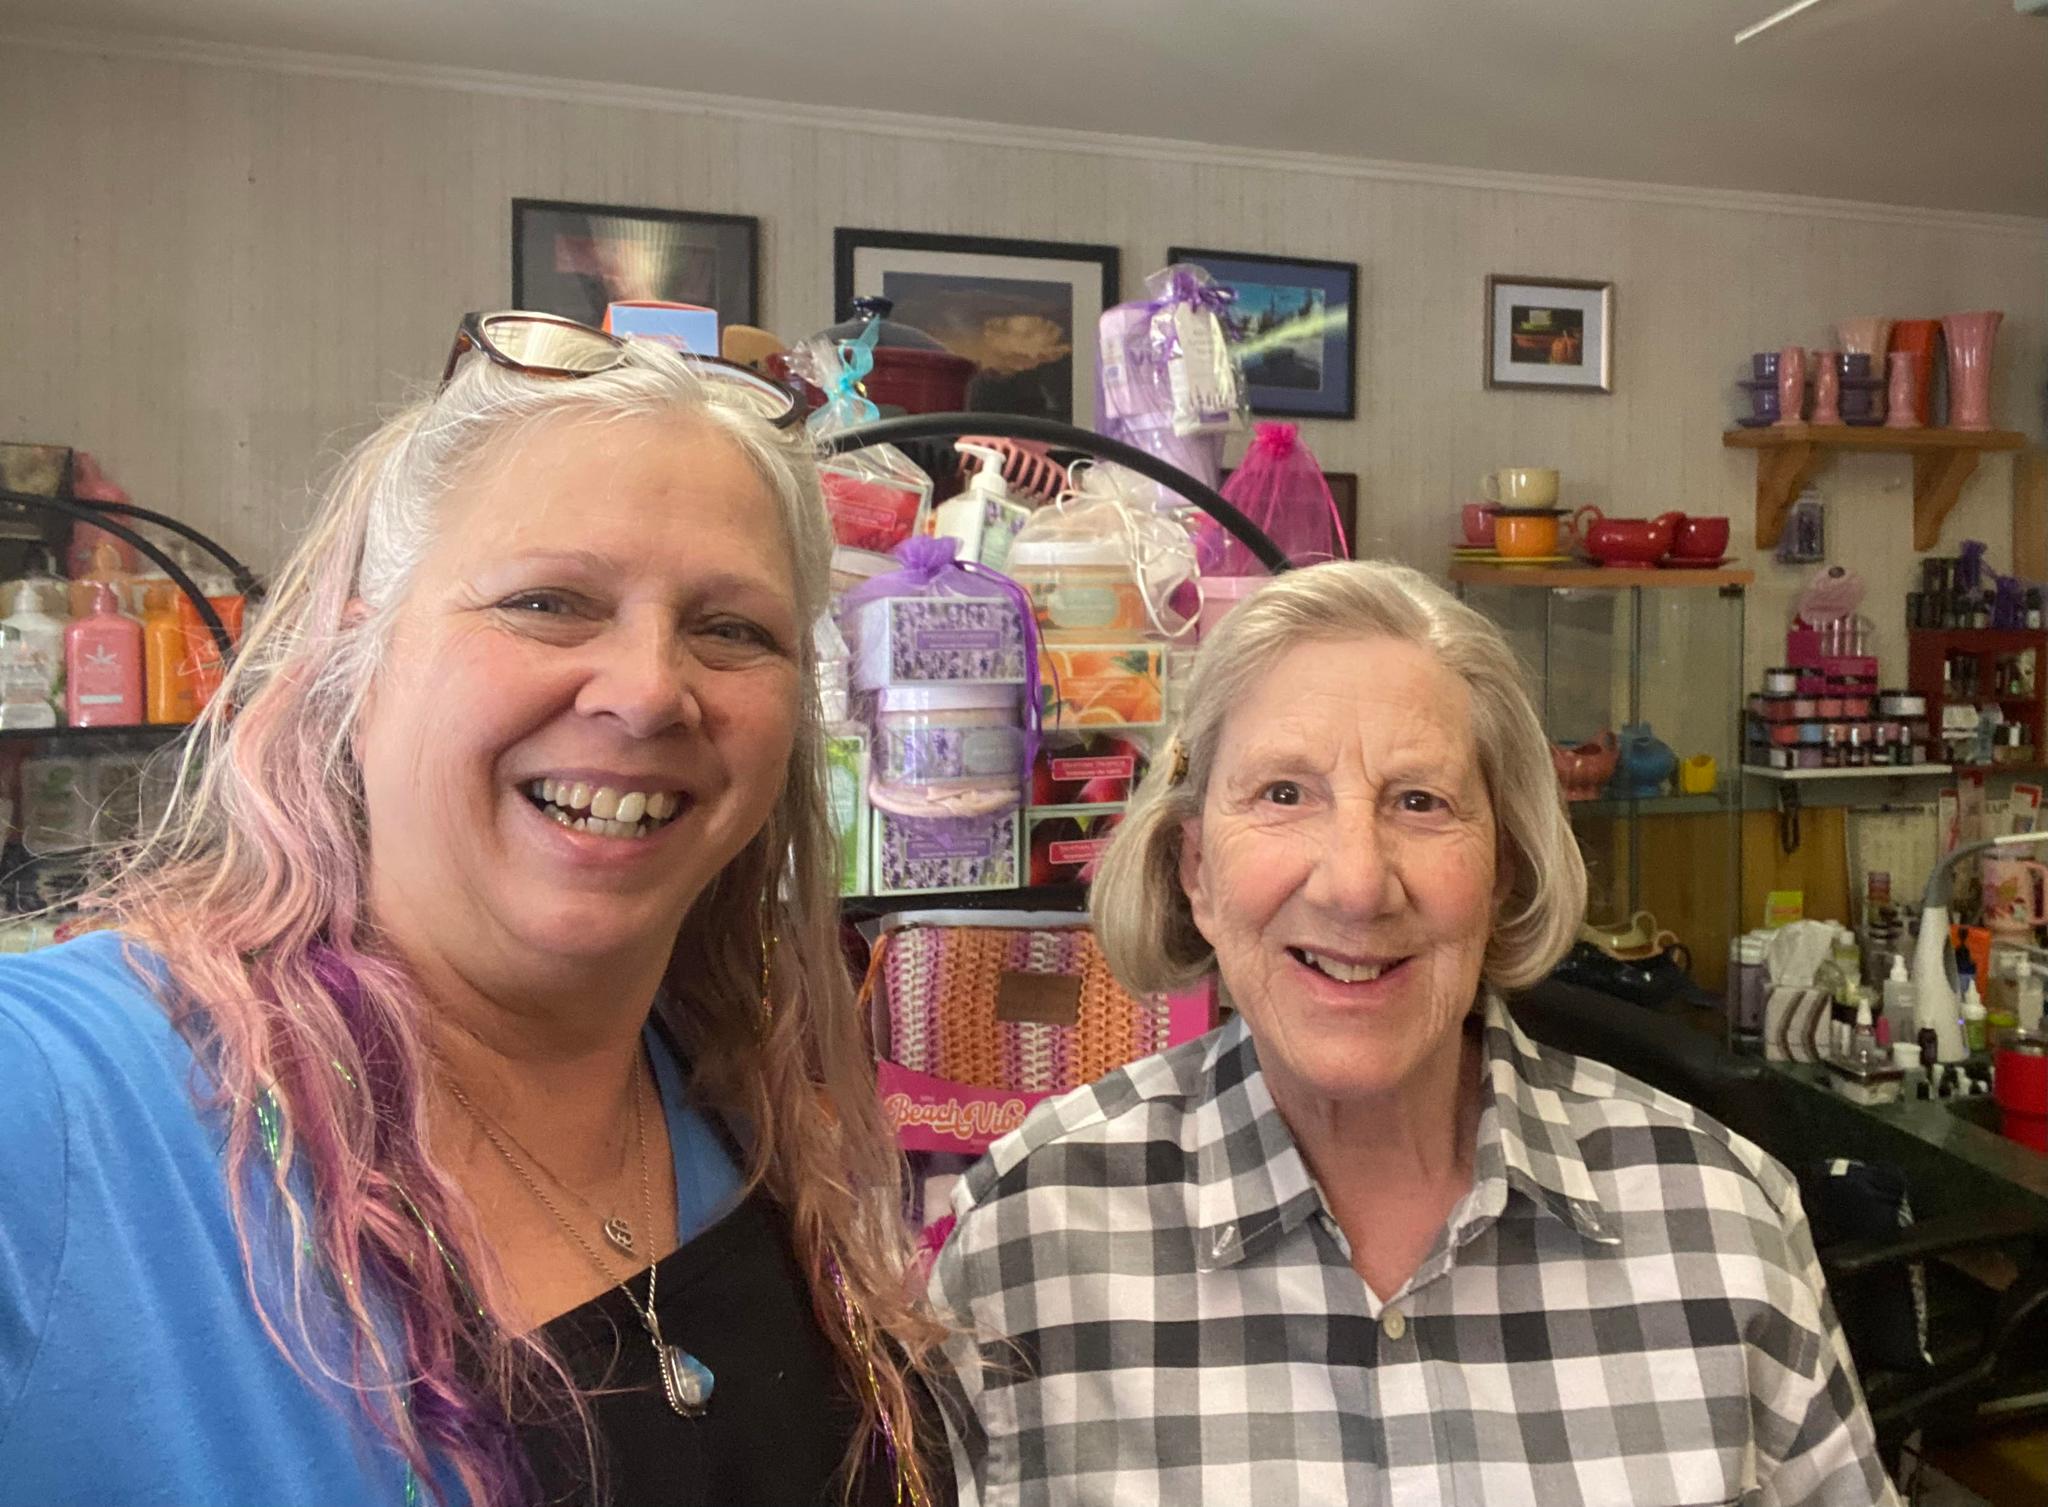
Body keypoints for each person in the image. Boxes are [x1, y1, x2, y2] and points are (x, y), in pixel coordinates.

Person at [0, 312, 945, 1506]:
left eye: (729, 628)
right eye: (548, 602)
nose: (650, 690)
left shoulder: (740, 1104)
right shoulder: (54, 1105)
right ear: (360, 652)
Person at [931, 560, 1896, 1506]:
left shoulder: (1722, 1224)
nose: (1356, 882)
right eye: (1283, 794)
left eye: (1420, 802)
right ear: (1195, 872)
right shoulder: (1028, 1243)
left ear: (1502, 870)